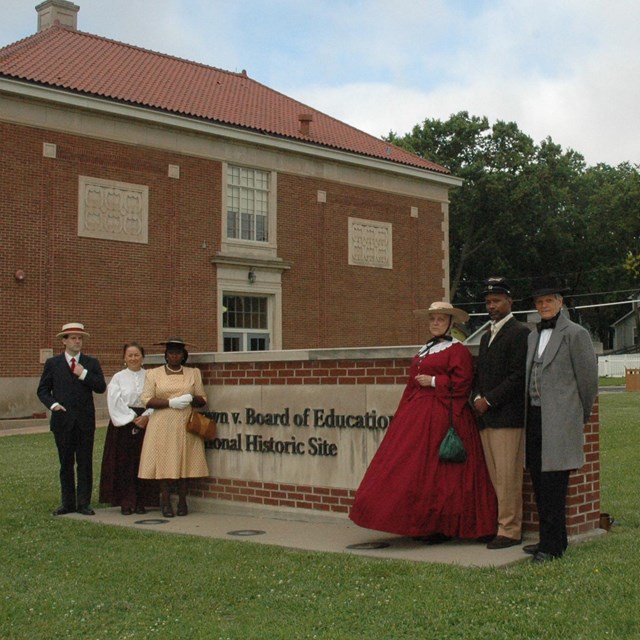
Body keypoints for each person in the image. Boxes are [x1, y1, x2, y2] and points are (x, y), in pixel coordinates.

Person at [349, 302, 497, 542]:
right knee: (412, 469)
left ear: (451, 323)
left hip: (444, 415)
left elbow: (463, 383)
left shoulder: (456, 350)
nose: (435, 323)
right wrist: (402, 414)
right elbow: (411, 384)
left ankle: (445, 526)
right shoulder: (424, 350)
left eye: (440, 319)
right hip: (417, 416)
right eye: (433, 319)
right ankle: (421, 523)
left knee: (444, 475)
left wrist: (435, 381)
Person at [524, 277, 598, 563]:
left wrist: (580, 415)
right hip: (535, 418)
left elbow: (588, 381)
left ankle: (552, 548)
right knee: (539, 483)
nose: (544, 306)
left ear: (560, 302)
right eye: (539, 302)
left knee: (555, 484)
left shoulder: (576, 334)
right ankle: (549, 539)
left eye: (549, 301)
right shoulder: (532, 335)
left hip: (560, 421)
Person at [473, 277, 530, 549]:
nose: (491, 305)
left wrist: (490, 400)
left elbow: (518, 376)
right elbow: (480, 374)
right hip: (486, 419)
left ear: (510, 302)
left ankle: (510, 530)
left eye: (496, 300)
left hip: (508, 417)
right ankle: (499, 525)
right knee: (496, 477)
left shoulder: (520, 332)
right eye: (488, 302)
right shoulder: (486, 336)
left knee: (508, 476)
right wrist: (476, 397)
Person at [37, 322, 107, 516]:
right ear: (64, 341)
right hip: (62, 422)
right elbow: (42, 390)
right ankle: (67, 503)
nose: (77, 341)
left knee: (84, 463)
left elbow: (101, 387)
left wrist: (83, 374)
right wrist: (53, 405)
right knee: (66, 463)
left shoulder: (91, 363)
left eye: (80, 338)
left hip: (85, 422)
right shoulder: (53, 364)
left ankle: (83, 503)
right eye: (73, 338)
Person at [138, 338, 209, 517]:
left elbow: (202, 398)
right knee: (164, 461)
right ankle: (166, 501)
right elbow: (146, 399)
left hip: (185, 423)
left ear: (183, 356)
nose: (174, 356)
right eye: (171, 353)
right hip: (162, 422)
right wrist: (170, 402)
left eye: (178, 353)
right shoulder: (153, 374)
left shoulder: (193, 373)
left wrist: (190, 399)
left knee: (185, 461)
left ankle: (183, 500)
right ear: (166, 355)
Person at [99, 342, 159, 515]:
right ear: (124, 358)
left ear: (142, 357)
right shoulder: (118, 378)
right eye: (130, 355)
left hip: (147, 419)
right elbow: (114, 401)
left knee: (143, 461)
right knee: (125, 463)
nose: (133, 358)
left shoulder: (150, 376)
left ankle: (142, 501)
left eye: (136, 355)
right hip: (124, 423)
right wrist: (133, 418)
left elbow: (157, 396)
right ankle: (126, 500)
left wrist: (147, 416)